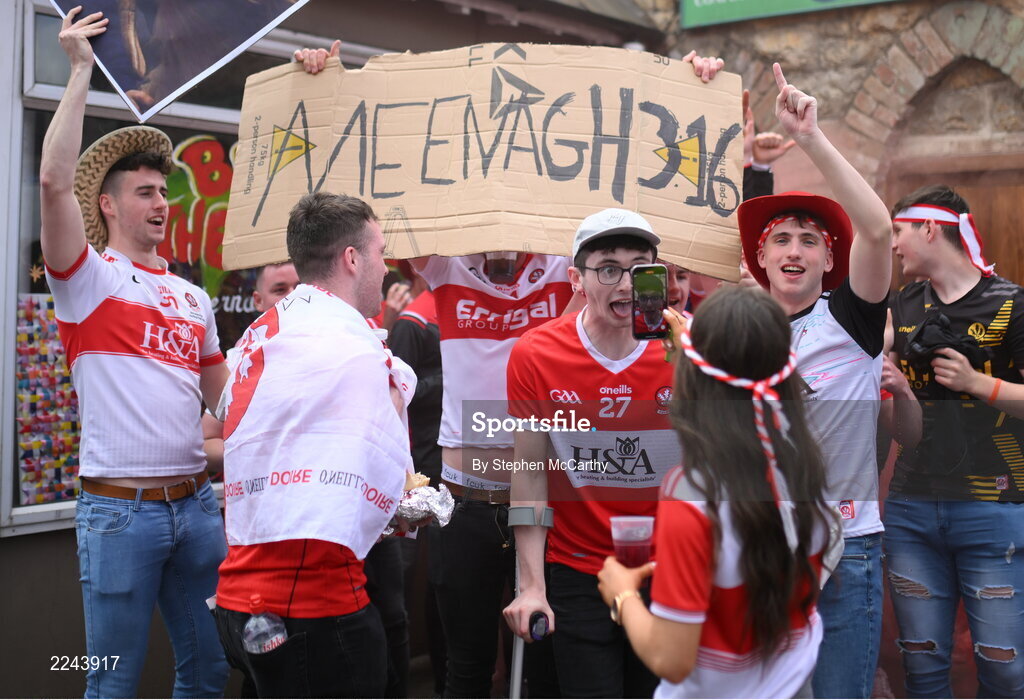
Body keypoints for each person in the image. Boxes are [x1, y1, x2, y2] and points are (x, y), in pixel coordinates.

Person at [40, 8, 230, 697]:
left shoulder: (192, 296)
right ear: (111, 206)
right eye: (145, 192)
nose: (162, 202)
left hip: (198, 509)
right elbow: (54, 184)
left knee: (211, 671)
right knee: (110, 684)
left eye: (164, 191)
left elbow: (230, 400)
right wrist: (81, 72)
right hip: (120, 514)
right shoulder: (87, 279)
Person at [212, 191, 423, 698]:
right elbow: (392, 488)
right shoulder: (353, 349)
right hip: (311, 605)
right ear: (352, 258)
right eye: (380, 252)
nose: (386, 266)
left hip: (239, 599)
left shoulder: (261, 337)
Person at [737, 63, 893, 699]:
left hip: (846, 552)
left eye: (810, 238)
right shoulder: (738, 333)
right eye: (781, 239)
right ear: (762, 258)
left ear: (831, 259)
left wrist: (811, 138)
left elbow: (879, 230)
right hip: (761, 552)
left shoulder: (851, 320)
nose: (795, 248)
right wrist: (748, 160)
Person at [597, 286, 836, 698]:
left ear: (695, 379)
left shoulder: (694, 496)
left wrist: (621, 594)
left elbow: (672, 660)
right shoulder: (803, 462)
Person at [503, 208, 684, 698]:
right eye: (608, 269)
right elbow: (529, 473)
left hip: (669, 573)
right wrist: (532, 585)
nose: (625, 284)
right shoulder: (535, 353)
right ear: (576, 279)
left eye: (640, 268)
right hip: (579, 571)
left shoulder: (687, 346)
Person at [887, 184, 1024, 697]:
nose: (893, 245)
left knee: (1006, 670)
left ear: (928, 228)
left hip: (995, 506)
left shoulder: (1010, 303)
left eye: (899, 232)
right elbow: (842, 338)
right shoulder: (899, 306)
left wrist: (977, 383)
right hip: (911, 511)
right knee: (920, 670)